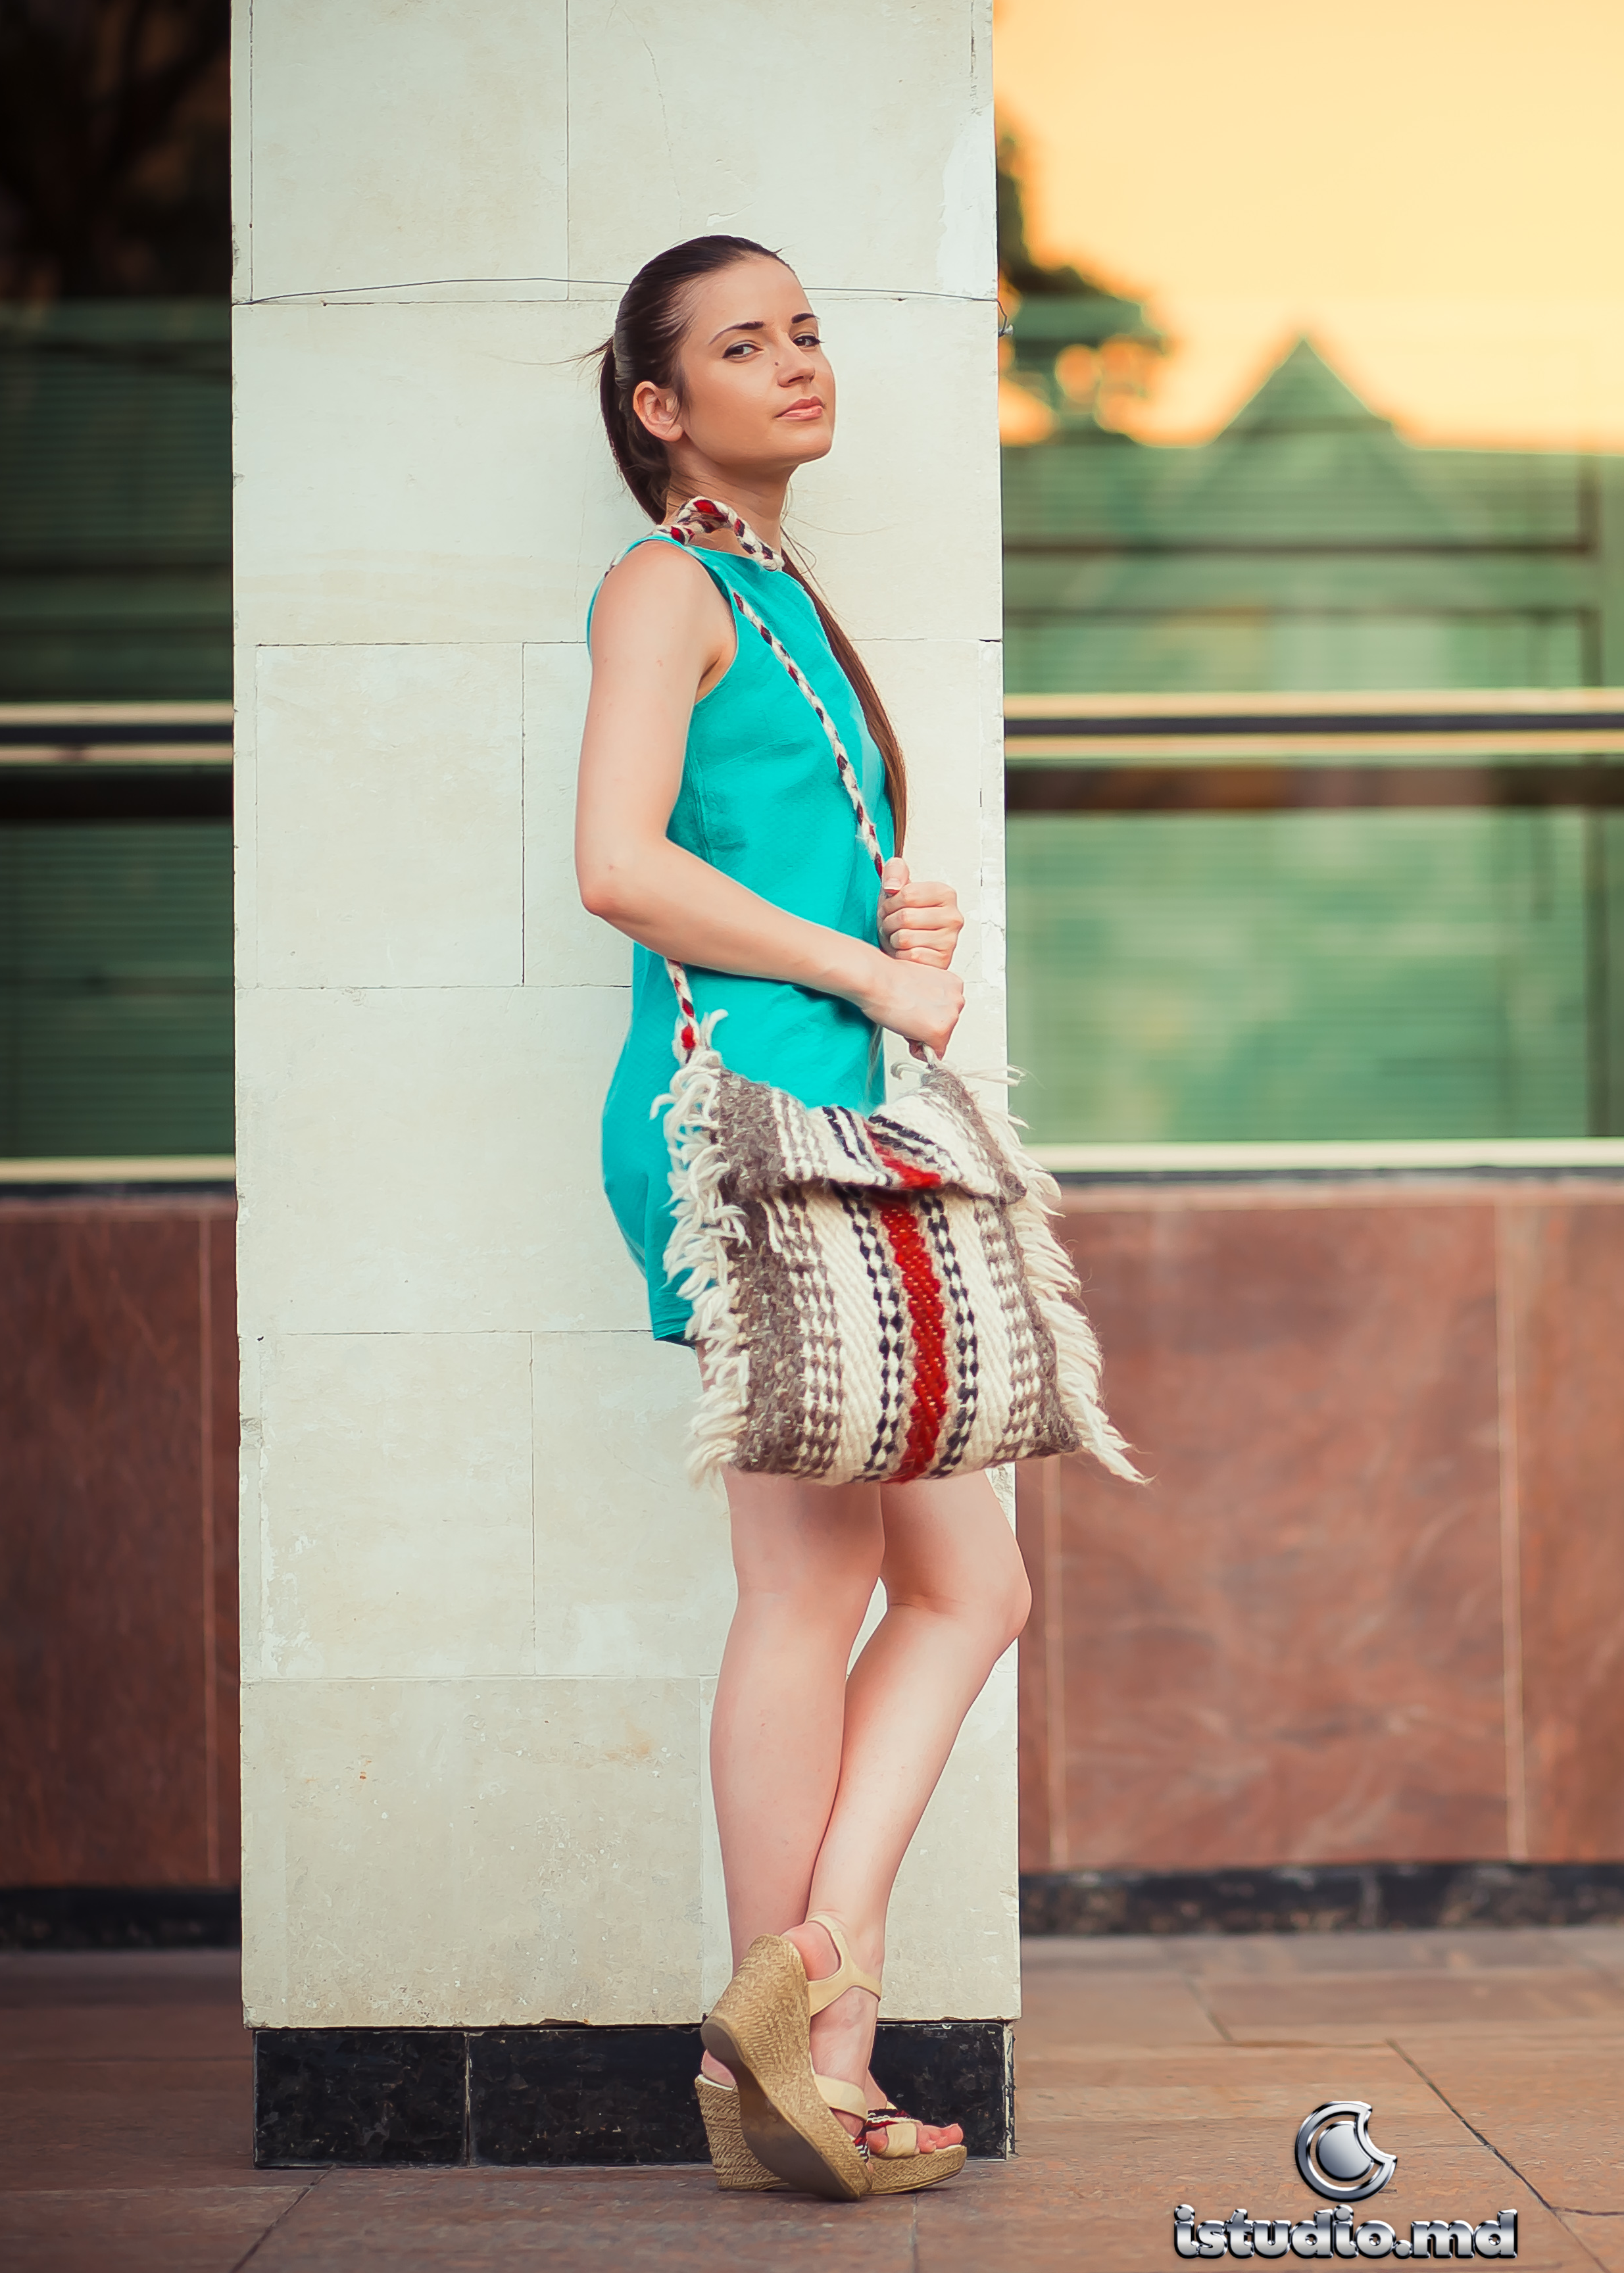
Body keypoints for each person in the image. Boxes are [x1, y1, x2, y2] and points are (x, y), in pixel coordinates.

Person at [574, 234, 1026, 2200]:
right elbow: (619, 865)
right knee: (810, 1587)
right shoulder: (665, 584)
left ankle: (807, 2015)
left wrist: (892, 925)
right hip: (744, 1128)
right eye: (744, 346)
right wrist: (869, 976)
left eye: (809, 333)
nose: (796, 364)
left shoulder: (778, 592)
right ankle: (808, 2034)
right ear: (661, 405)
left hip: (829, 1122)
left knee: (962, 1586)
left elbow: (757, 863)